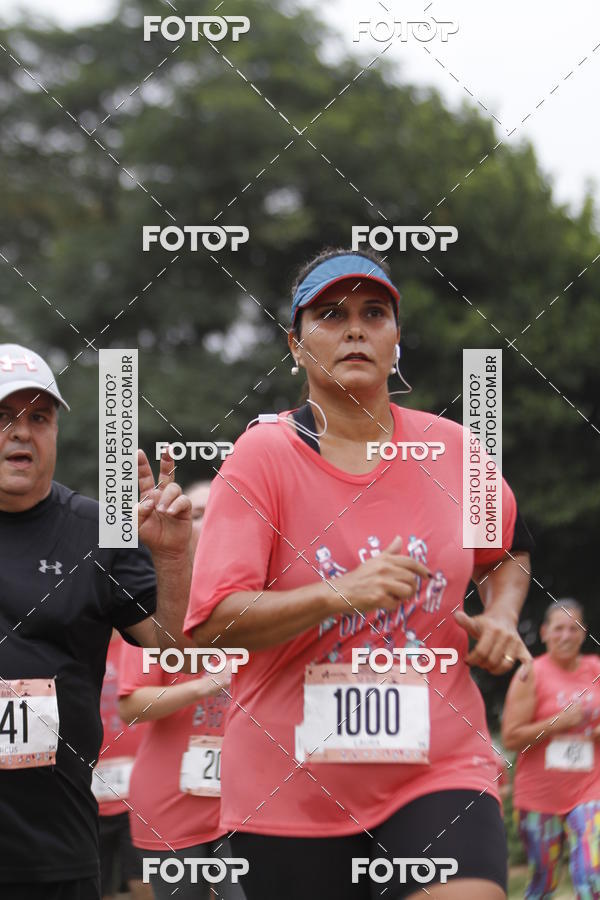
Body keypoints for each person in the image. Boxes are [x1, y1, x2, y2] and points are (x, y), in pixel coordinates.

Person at [178, 248, 535, 899]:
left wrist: (503, 616)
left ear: (396, 340)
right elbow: (213, 622)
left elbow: (506, 552)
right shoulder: (262, 455)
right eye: (330, 315)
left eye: (374, 314)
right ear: (295, 344)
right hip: (288, 786)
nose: (354, 331)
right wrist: (338, 593)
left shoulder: (455, 451)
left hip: (439, 767)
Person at [0, 343, 192, 900]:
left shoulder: (98, 529)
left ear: (56, 431)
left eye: (39, 417)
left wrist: (172, 557)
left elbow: (173, 648)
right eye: (4, 416)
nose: (21, 432)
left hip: (55, 852)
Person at [118, 481, 246, 900]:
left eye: (219, 514)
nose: (208, 525)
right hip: (172, 802)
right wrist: (207, 686)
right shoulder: (157, 607)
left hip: (247, 800)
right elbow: (132, 705)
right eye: (197, 514)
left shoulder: (261, 600)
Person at [502, 599, 600, 898]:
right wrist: (558, 722)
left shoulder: (596, 668)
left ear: (583, 632)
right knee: (543, 883)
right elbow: (511, 737)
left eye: (574, 628)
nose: (566, 636)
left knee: (593, 873)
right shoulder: (530, 673)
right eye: (558, 629)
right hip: (540, 797)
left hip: (590, 789)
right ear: (544, 632)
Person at [94, 630, 151, 900]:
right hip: (88, 796)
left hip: (140, 795)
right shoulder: (78, 646)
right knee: (95, 886)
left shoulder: (142, 645)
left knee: (145, 883)